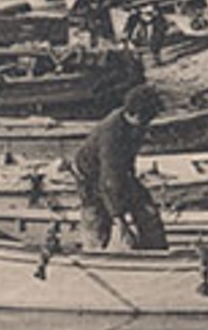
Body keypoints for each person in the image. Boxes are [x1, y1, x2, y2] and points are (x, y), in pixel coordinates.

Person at [71, 84, 168, 251]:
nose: (147, 125)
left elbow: (124, 169)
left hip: (122, 174)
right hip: (91, 180)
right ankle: (94, 254)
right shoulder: (111, 136)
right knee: (97, 225)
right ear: (132, 114)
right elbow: (109, 182)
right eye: (145, 120)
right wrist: (121, 222)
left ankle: (155, 250)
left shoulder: (136, 124)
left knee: (148, 213)